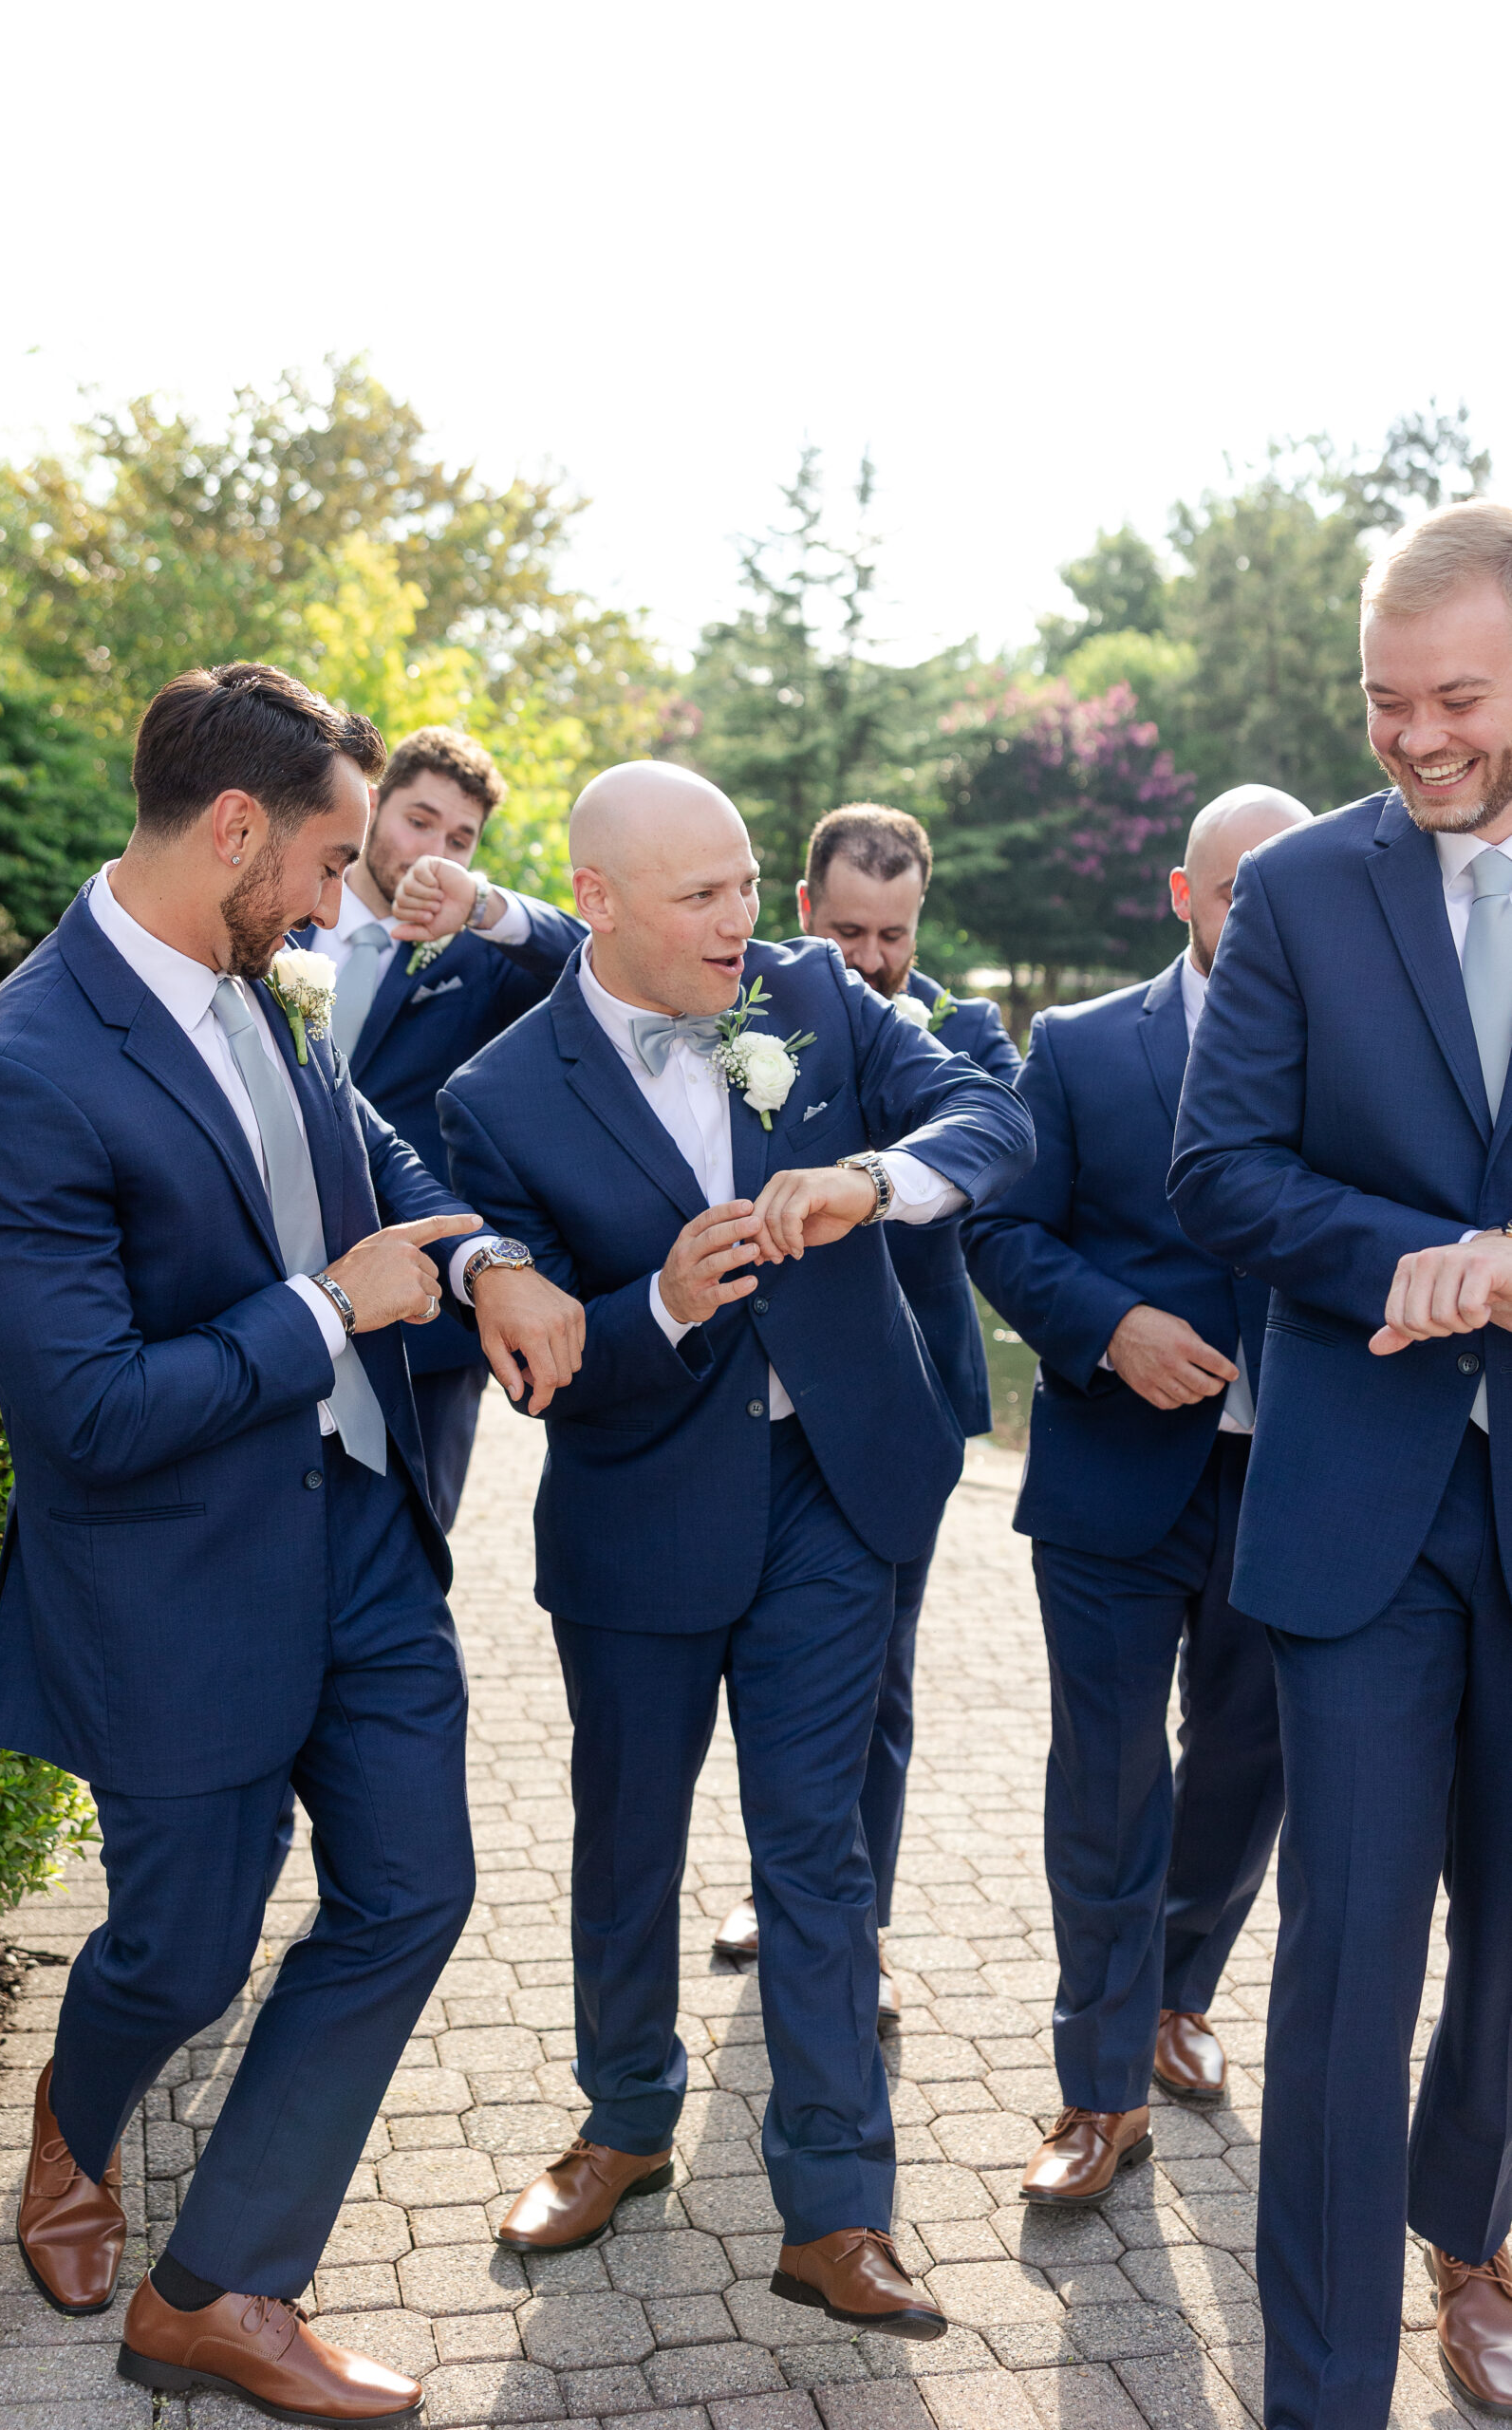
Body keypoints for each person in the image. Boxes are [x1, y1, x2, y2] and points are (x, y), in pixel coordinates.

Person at [0, 664, 584, 2428]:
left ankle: (219, 2289)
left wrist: (473, 1259)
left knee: (412, 1892)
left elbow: (357, 1139)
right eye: (326, 860)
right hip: (171, 1590)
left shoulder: (265, 978)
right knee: (183, 1953)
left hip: (361, 1536)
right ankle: (75, 2128)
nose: (340, 902)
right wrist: (322, 1313)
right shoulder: (20, 1071)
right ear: (235, 829)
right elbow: (86, 1413)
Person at [438, 761, 1033, 2336]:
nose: (739, 919)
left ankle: (836, 2208)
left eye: (747, 881)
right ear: (599, 901)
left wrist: (871, 1179)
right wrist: (661, 1308)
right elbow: (544, 1364)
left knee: (815, 1852)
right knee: (629, 1842)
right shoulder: (494, 1100)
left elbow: (994, 1118)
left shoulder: (820, 1000)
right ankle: (625, 2121)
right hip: (637, 1509)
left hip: (833, 1489)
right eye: (700, 896)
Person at [1169, 499, 1512, 2430]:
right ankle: (1317, 2389)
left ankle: (1471, 2227)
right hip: (1352, 1515)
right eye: (1385, 703)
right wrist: (1411, 1261)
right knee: (1345, 1957)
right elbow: (1212, 1173)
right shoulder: (1297, 889)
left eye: (1454, 696)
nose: (1414, 736)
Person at [967, 784, 1308, 2209]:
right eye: (1239, 894)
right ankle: (1093, 2091)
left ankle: (1176, 1994)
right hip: (1111, 1475)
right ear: (1185, 893)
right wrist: (1107, 1325)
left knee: (1245, 1766)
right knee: (1104, 1785)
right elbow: (1000, 1229)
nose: (1263, 922)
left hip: (1295, 1480)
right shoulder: (1084, 1046)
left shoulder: (1353, 1050)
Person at [711, 804, 1020, 2021]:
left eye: (894, 932)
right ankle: (780, 1881)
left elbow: (999, 1149)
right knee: (770, 1661)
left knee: (879, 1676)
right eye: (847, 929)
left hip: (908, 1403)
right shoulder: (746, 1012)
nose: (872, 956)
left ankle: (865, 1922)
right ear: (801, 910)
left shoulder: (962, 1032)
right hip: (767, 1400)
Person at [291, 725, 587, 1527]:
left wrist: (486, 907)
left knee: (413, 1546)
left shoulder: (480, 958)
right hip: (270, 1290)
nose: (434, 852)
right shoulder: (276, 918)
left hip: (425, 1316)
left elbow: (597, 965)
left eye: (460, 839)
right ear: (374, 806)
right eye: (419, 822)